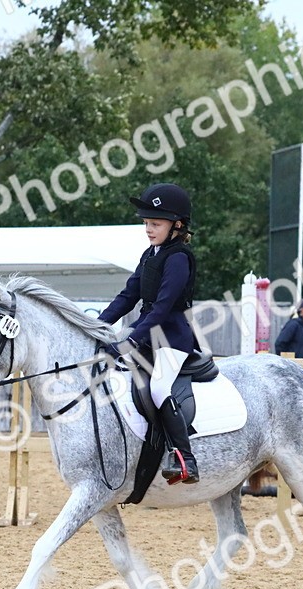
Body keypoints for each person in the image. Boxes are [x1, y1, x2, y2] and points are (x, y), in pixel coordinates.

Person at [99, 183, 200, 483]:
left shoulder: (179, 257)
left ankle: (185, 458)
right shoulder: (150, 254)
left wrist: (130, 339)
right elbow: (128, 296)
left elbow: (163, 308)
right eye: (146, 223)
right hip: (146, 333)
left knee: (157, 388)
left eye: (155, 223)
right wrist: (97, 326)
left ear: (177, 225)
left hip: (172, 338)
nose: (148, 228)